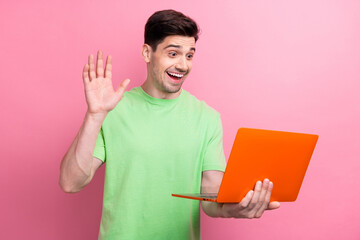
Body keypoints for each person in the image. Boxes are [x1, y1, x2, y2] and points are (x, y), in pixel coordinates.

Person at [59, 9, 280, 240]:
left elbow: (211, 199)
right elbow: (70, 182)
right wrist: (95, 115)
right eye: (173, 53)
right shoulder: (113, 110)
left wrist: (239, 208)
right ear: (147, 52)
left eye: (189, 55)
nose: (183, 65)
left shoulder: (207, 118)